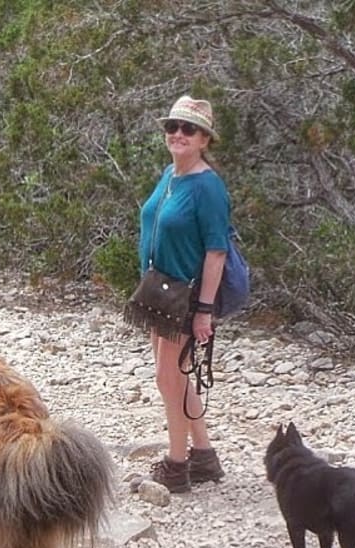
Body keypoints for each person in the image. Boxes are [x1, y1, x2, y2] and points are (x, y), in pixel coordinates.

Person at [131, 95, 229, 493]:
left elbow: (217, 250)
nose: (178, 134)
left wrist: (204, 309)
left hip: (183, 296)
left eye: (189, 129)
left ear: (204, 138)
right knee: (175, 377)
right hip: (158, 290)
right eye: (172, 127)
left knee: (167, 377)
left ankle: (176, 465)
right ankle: (203, 456)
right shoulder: (170, 176)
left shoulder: (208, 186)